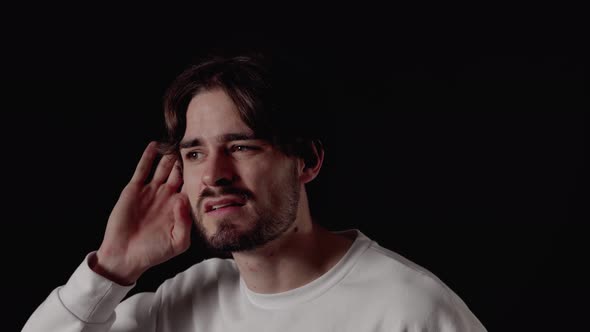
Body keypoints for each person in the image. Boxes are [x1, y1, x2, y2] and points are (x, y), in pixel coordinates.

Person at [23, 53, 487, 331]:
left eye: (241, 146)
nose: (214, 175)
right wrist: (112, 270)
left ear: (306, 160)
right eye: (195, 154)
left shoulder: (409, 309)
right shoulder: (183, 300)